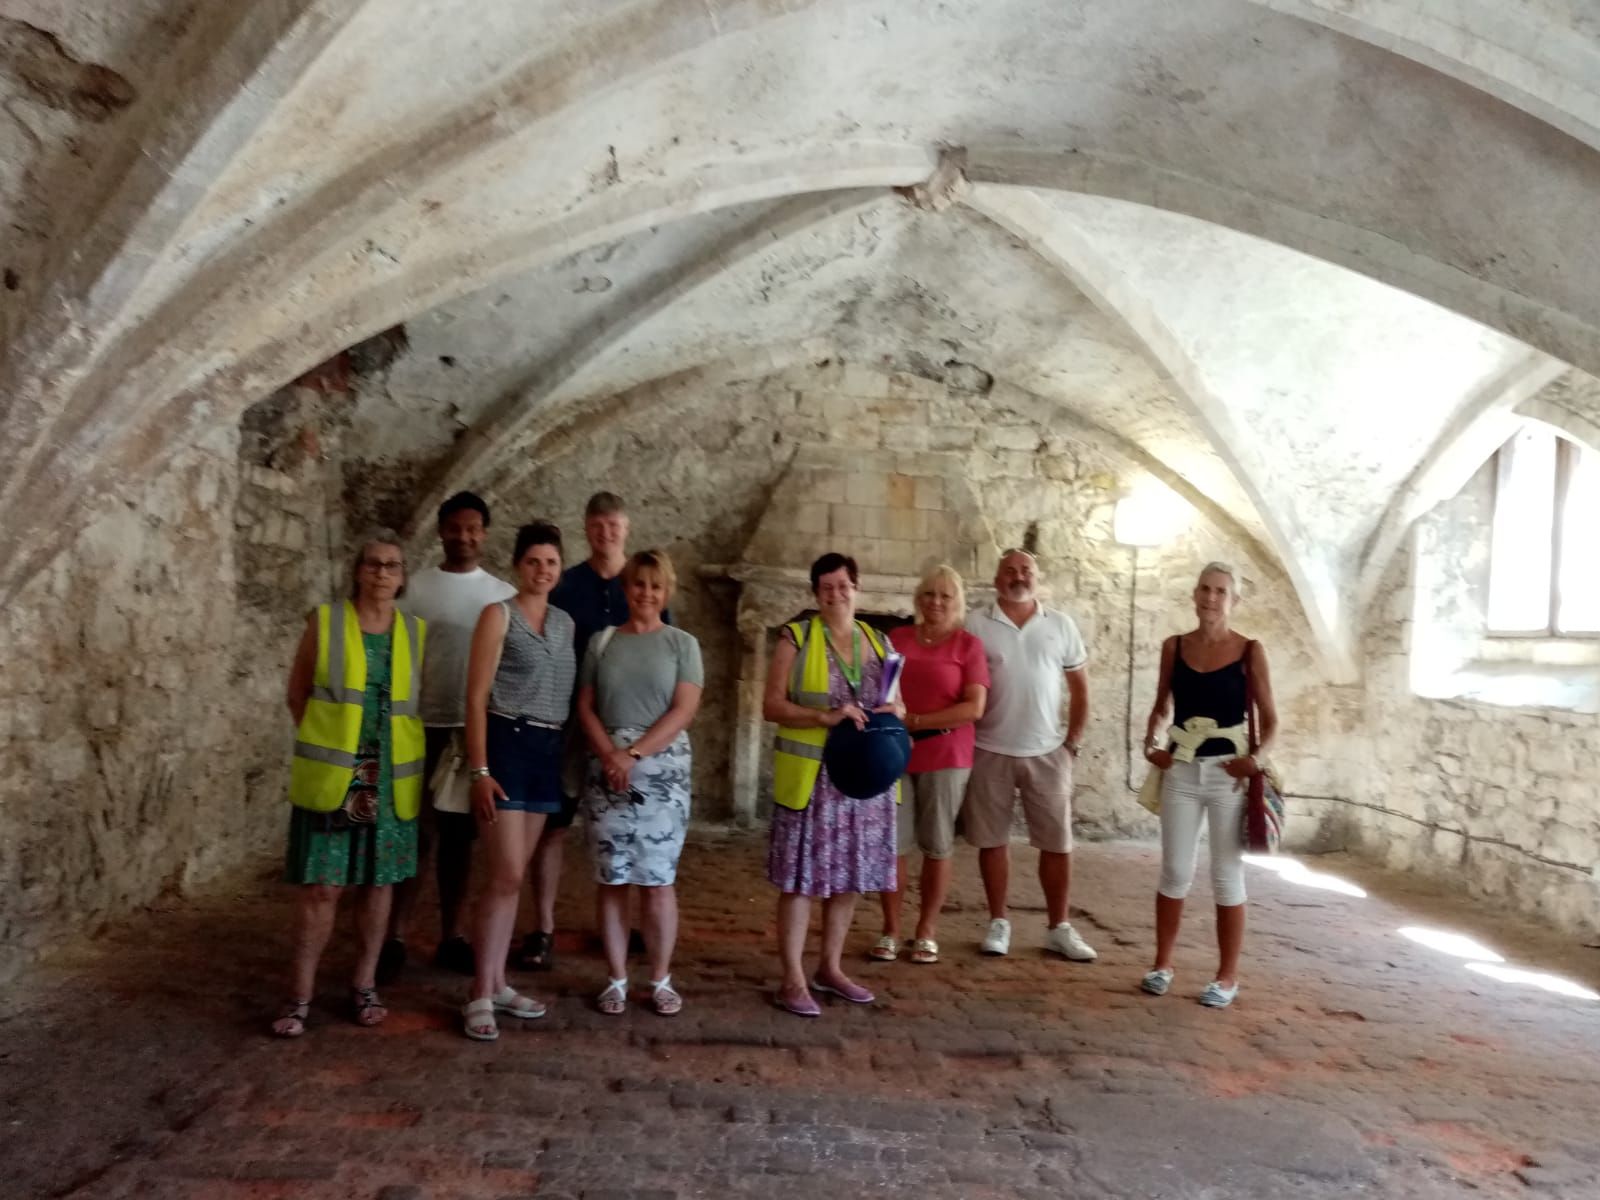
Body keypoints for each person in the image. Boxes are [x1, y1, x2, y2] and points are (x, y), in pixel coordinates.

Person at [272, 531, 425, 1037]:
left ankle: (363, 984)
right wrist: (330, 747)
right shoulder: (326, 622)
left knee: (377, 885)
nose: (382, 573)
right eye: (374, 564)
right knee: (324, 886)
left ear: (402, 578)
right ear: (357, 570)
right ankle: (299, 997)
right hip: (340, 772)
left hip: (390, 775)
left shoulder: (414, 632)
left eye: (392, 566)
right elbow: (298, 694)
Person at [510, 491, 670, 971]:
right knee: (553, 828)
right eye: (597, 525)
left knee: (636, 828)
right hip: (569, 723)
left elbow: (664, 651)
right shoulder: (567, 586)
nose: (606, 533)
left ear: (626, 527)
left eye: (614, 525)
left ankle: (632, 925)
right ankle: (542, 927)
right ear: (587, 528)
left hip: (631, 731)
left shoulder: (643, 584)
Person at [762, 552, 903, 1017]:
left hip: (864, 784)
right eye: (826, 587)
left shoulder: (878, 641)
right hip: (813, 779)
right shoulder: (795, 637)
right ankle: (792, 978)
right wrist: (824, 717)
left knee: (850, 880)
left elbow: (897, 703)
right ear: (815, 593)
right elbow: (772, 705)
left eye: (843, 585)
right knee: (801, 882)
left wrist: (893, 712)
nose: (835, 594)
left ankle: (830, 967)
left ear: (856, 587)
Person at [382, 492, 515, 981]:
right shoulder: (414, 589)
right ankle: (393, 935)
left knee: (460, 838)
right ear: (441, 531)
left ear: (485, 532)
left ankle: (452, 935)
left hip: (469, 731)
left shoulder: (501, 594)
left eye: (473, 528)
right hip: (419, 725)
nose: (464, 536)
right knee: (411, 834)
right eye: (455, 528)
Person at [1139, 562, 1277, 1008]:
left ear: (1233, 600)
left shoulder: (1250, 651)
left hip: (1228, 775)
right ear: (1194, 594)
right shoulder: (1174, 647)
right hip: (1181, 768)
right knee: (1175, 869)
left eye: (1220, 591)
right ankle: (1162, 964)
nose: (1211, 598)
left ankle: (1226, 976)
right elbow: (1162, 706)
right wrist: (1149, 742)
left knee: (1226, 874)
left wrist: (1254, 761)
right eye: (1204, 589)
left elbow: (1271, 720)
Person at [460, 522, 577, 1041]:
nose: (542, 571)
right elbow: (475, 698)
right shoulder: (497, 615)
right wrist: (480, 770)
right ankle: (478, 994)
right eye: (533, 561)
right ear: (517, 566)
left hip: (546, 750)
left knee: (517, 875)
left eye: (551, 562)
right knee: (504, 874)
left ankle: (499, 983)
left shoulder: (566, 624)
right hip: (506, 744)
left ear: (559, 569)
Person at [575, 550, 703, 1015]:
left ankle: (661, 978)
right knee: (612, 878)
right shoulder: (602, 642)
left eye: (655, 586)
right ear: (625, 589)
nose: (646, 593)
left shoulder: (682, 644)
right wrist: (609, 754)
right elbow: (586, 706)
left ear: (665, 592)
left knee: (657, 879)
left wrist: (632, 754)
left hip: (660, 771)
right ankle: (616, 979)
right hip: (607, 769)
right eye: (638, 584)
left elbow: (684, 709)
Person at [964, 549, 1096, 961]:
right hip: (989, 748)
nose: (1018, 577)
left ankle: (1059, 927)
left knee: (1057, 843)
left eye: (1026, 571)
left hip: (1047, 751)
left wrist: (1071, 743)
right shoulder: (975, 624)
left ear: (1037, 577)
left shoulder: (1060, 625)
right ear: (996, 578)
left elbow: (1080, 689)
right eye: (1010, 571)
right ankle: (998, 922)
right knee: (992, 840)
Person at [874, 564, 989, 964]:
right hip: (896, 751)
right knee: (893, 844)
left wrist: (917, 722)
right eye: (929, 594)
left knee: (937, 845)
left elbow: (974, 707)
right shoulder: (897, 639)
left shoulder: (968, 646)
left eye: (945, 596)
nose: (936, 602)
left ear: (957, 602)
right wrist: (894, 724)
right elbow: (881, 691)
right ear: (918, 599)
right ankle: (890, 928)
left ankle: (926, 930)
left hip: (946, 753)